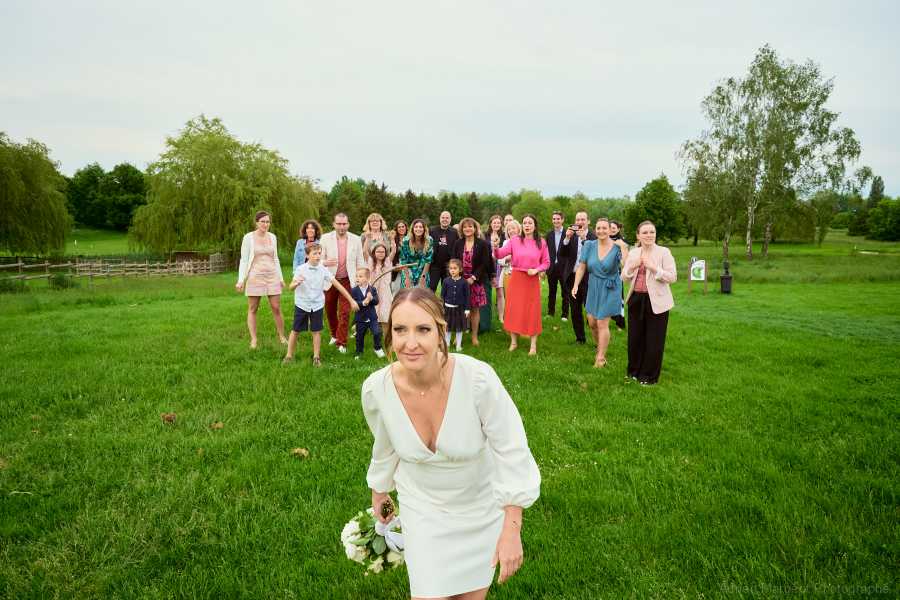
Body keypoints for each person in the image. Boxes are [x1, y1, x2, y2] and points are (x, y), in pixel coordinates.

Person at [362, 287, 541, 599]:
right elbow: (385, 446)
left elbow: (511, 450)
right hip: (422, 509)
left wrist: (512, 529)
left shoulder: (478, 380)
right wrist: (379, 491)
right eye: (401, 330)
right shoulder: (377, 389)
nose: (410, 342)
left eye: (423, 329)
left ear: (440, 332)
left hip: (480, 511)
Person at [283, 243, 357, 366]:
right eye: (314, 254)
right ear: (307, 255)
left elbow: (338, 286)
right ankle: (289, 356)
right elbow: (290, 287)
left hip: (317, 305)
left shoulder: (323, 270)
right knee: (295, 330)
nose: (318, 256)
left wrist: (351, 300)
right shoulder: (301, 269)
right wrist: (296, 283)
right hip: (302, 304)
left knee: (316, 331)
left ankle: (316, 357)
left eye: (319, 253)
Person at [622, 220, 676, 385]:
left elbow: (672, 277)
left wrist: (654, 268)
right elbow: (624, 277)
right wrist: (632, 267)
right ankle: (633, 371)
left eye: (652, 232)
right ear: (638, 235)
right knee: (635, 338)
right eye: (645, 232)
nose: (649, 235)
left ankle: (649, 376)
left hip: (657, 301)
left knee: (654, 340)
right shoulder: (634, 253)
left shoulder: (664, 252)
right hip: (636, 299)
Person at [571, 218, 629, 368]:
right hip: (593, 286)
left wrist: (624, 248)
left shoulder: (617, 247)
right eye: (598, 228)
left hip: (610, 287)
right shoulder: (589, 245)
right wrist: (576, 285)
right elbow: (582, 267)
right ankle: (600, 347)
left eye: (604, 228)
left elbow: (625, 266)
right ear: (595, 230)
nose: (601, 231)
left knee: (602, 322)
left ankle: (601, 358)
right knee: (592, 322)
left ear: (610, 230)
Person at [493, 214, 550, 355]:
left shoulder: (541, 242)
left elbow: (546, 262)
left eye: (530, 223)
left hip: (531, 280)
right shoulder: (515, 240)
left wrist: (536, 270)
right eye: (525, 223)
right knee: (514, 309)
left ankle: (533, 345)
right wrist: (495, 246)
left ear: (535, 226)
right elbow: (499, 255)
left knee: (532, 311)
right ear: (522, 226)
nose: (527, 225)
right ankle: (513, 342)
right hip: (516, 278)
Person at [236, 211, 287, 349]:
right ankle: (254, 339)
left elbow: (275, 258)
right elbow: (244, 260)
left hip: (272, 275)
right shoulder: (248, 238)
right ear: (257, 222)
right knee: (253, 308)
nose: (265, 224)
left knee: (276, 307)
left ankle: (282, 336)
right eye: (263, 221)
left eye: (268, 222)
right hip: (255, 276)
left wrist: (281, 278)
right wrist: (241, 280)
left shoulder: (273, 237)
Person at [320, 212, 367, 354]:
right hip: (330, 279)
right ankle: (334, 335)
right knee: (330, 309)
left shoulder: (356, 239)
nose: (341, 227)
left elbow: (360, 260)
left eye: (344, 224)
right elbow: (317, 259)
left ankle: (342, 342)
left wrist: (361, 278)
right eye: (339, 224)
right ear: (334, 224)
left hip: (348, 280)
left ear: (348, 224)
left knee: (345, 312)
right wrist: (325, 262)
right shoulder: (325, 238)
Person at [557, 211, 596, 345]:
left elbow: (594, 255)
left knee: (590, 310)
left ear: (588, 221)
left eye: (582, 219)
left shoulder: (594, 236)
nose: (580, 222)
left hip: (588, 278)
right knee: (575, 310)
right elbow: (562, 253)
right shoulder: (571, 236)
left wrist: (584, 239)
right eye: (577, 220)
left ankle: (598, 340)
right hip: (572, 277)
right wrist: (567, 238)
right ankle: (580, 338)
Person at [453, 217, 492, 347]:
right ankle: (459, 335)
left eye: (470, 226)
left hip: (476, 280)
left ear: (475, 228)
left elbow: (485, 263)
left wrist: (473, 277)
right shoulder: (458, 243)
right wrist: (458, 277)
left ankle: (474, 336)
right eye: (465, 227)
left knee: (474, 310)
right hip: (460, 280)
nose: (467, 229)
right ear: (461, 229)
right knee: (460, 309)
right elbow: (454, 260)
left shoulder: (482, 244)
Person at [351, 267, 386, 359]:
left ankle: (377, 348)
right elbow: (354, 303)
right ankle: (359, 352)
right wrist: (363, 302)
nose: (357, 278)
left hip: (372, 318)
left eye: (360, 276)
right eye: (356, 276)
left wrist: (371, 298)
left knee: (377, 332)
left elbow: (376, 301)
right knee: (359, 337)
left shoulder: (372, 289)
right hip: (360, 319)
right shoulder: (354, 290)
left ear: (367, 278)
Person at [428, 210, 459, 295]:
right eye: (443, 217)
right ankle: (431, 303)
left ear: (450, 219)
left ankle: (445, 303)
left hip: (449, 266)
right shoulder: (432, 230)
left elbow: (457, 247)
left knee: (447, 288)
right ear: (440, 219)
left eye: (447, 218)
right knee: (431, 287)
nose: (445, 219)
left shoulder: (454, 232)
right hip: (434, 265)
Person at [545, 210, 569, 321]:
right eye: (554, 219)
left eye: (558, 219)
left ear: (562, 220)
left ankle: (565, 314)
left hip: (564, 268)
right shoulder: (549, 235)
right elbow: (546, 251)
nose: (556, 221)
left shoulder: (568, 234)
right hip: (551, 268)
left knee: (565, 292)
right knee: (552, 291)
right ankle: (550, 312)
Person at [441, 258, 470, 351]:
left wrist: (467, 309)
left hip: (459, 309)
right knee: (448, 327)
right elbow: (442, 295)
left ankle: (458, 345)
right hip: (448, 308)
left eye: (455, 268)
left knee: (459, 328)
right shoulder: (446, 281)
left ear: (460, 269)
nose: (452, 270)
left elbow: (467, 297)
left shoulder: (464, 282)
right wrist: (442, 307)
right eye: (451, 268)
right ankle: (447, 343)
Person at [398, 218, 433, 289]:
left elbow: (428, 260)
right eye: (416, 227)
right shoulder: (406, 241)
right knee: (408, 291)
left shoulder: (429, 240)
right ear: (412, 229)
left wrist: (423, 277)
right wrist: (407, 278)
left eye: (420, 227)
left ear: (424, 229)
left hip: (422, 270)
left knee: (422, 291)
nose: (418, 229)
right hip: (408, 269)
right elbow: (403, 260)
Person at [484, 215, 507, 323]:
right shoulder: (485, 235)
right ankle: (486, 316)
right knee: (486, 291)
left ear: (501, 224)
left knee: (500, 292)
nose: (496, 224)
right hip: (487, 265)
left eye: (498, 223)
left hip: (500, 265)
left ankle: (501, 317)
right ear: (490, 224)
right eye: (494, 222)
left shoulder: (504, 236)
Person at [368, 242, 393, 330]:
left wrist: (392, 242)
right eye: (378, 251)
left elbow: (393, 252)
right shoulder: (371, 261)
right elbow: (369, 278)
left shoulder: (387, 262)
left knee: (385, 309)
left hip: (384, 289)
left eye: (383, 252)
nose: (380, 253)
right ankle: (373, 329)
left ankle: (386, 328)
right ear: (374, 252)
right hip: (374, 288)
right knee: (374, 309)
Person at [607, 220, 627, 330]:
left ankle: (620, 322)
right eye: (609, 227)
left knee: (618, 298)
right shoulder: (603, 239)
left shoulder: (621, 242)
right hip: (603, 273)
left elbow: (624, 261)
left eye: (614, 228)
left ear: (618, 229)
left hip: (616, 274)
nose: (611, 230)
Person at [390, 220, 409, 291]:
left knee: (408, 289)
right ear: (396, 229)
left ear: (406, 228)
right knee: (396, 289)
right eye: (399, 227)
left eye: (403, 226)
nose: (401, 228)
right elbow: (392, 253)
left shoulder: (410, 239)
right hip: (397, 267)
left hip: (408, 266)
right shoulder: (393, 239)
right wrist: (392, 239)